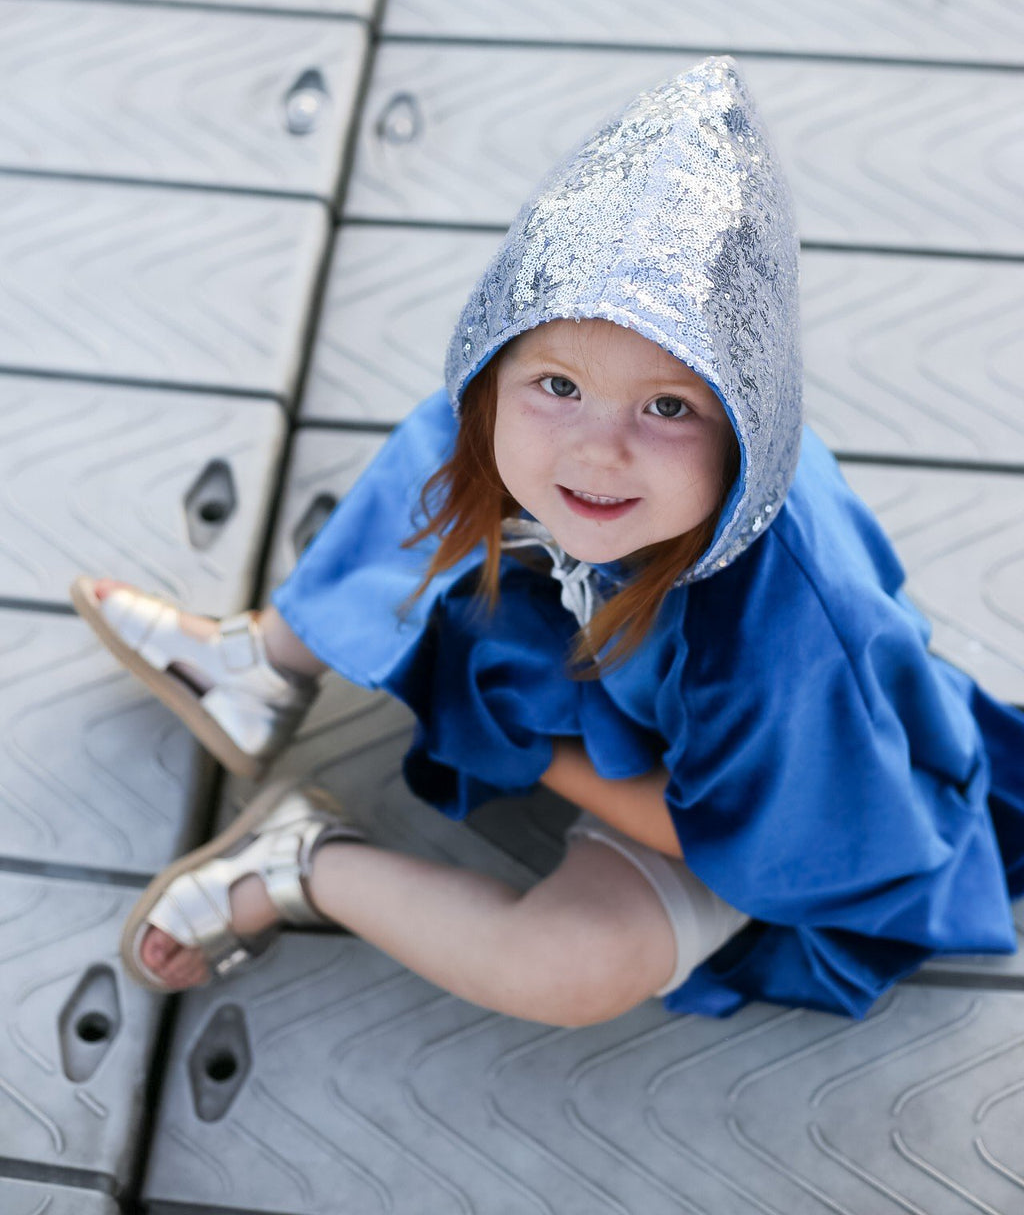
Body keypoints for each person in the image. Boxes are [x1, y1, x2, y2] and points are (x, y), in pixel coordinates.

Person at [71, 56, 1024, 1022]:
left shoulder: (782, 643)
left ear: (746, 423)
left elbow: (739, 838)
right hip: (604, 651)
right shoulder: (514, 419)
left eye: (668, 404)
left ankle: (302, 861)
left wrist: (534, 749)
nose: (599, 450)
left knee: (564, 970)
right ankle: (268, 668)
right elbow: (495, 423)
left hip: (755, 798)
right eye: (559, 384)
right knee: (464, 444)